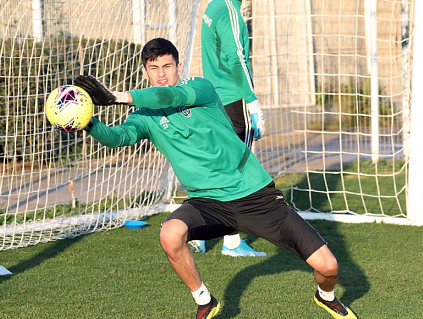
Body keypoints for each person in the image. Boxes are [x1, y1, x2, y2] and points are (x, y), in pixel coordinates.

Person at [72, 38, 357, 319]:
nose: (161, 74)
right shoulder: (144, 115)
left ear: (178, 66)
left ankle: (325, 296)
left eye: (167, 66)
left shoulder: (200, 89)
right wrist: (88, 122)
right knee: (170, 233)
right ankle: (205, 301)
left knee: (329, 266)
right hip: (207, 203)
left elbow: (169, 97)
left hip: (255, 197)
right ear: (145, 71)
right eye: (154, 68)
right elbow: (117, 138)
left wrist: (117, 96)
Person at [192, 0, 266, 257]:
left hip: (215, 100)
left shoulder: (212, 8)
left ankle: (198, 231)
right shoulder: (230, 12)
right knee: (238, 169)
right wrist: (253, 102)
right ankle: (231, 242)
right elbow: (236, 60)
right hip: (234, 100)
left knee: (218, 165)